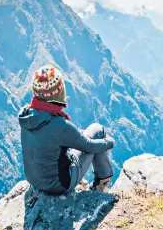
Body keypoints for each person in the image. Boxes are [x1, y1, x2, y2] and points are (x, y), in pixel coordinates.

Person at [18, 65, 114, 194]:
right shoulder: (58, 124)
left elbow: (54, 138)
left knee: (73, 140)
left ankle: (83, 179)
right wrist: (109, 142)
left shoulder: (27, 115)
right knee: (97, 130)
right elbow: (89, 146)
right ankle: (101, 185)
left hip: (34, 180)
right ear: (59, 93)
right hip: (58, 185)